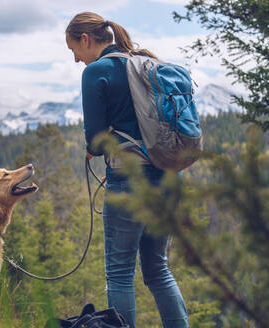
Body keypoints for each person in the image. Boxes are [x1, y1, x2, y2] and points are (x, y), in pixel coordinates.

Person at [65, 12, 189, 328]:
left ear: (85, 39)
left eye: (74, 51)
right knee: (158, 269)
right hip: (170, 177)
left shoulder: (97, 72)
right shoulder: (147, 64)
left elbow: (95, 138)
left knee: (119, 273)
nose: (77, 60)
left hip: (128, 182)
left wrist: (95, 148)